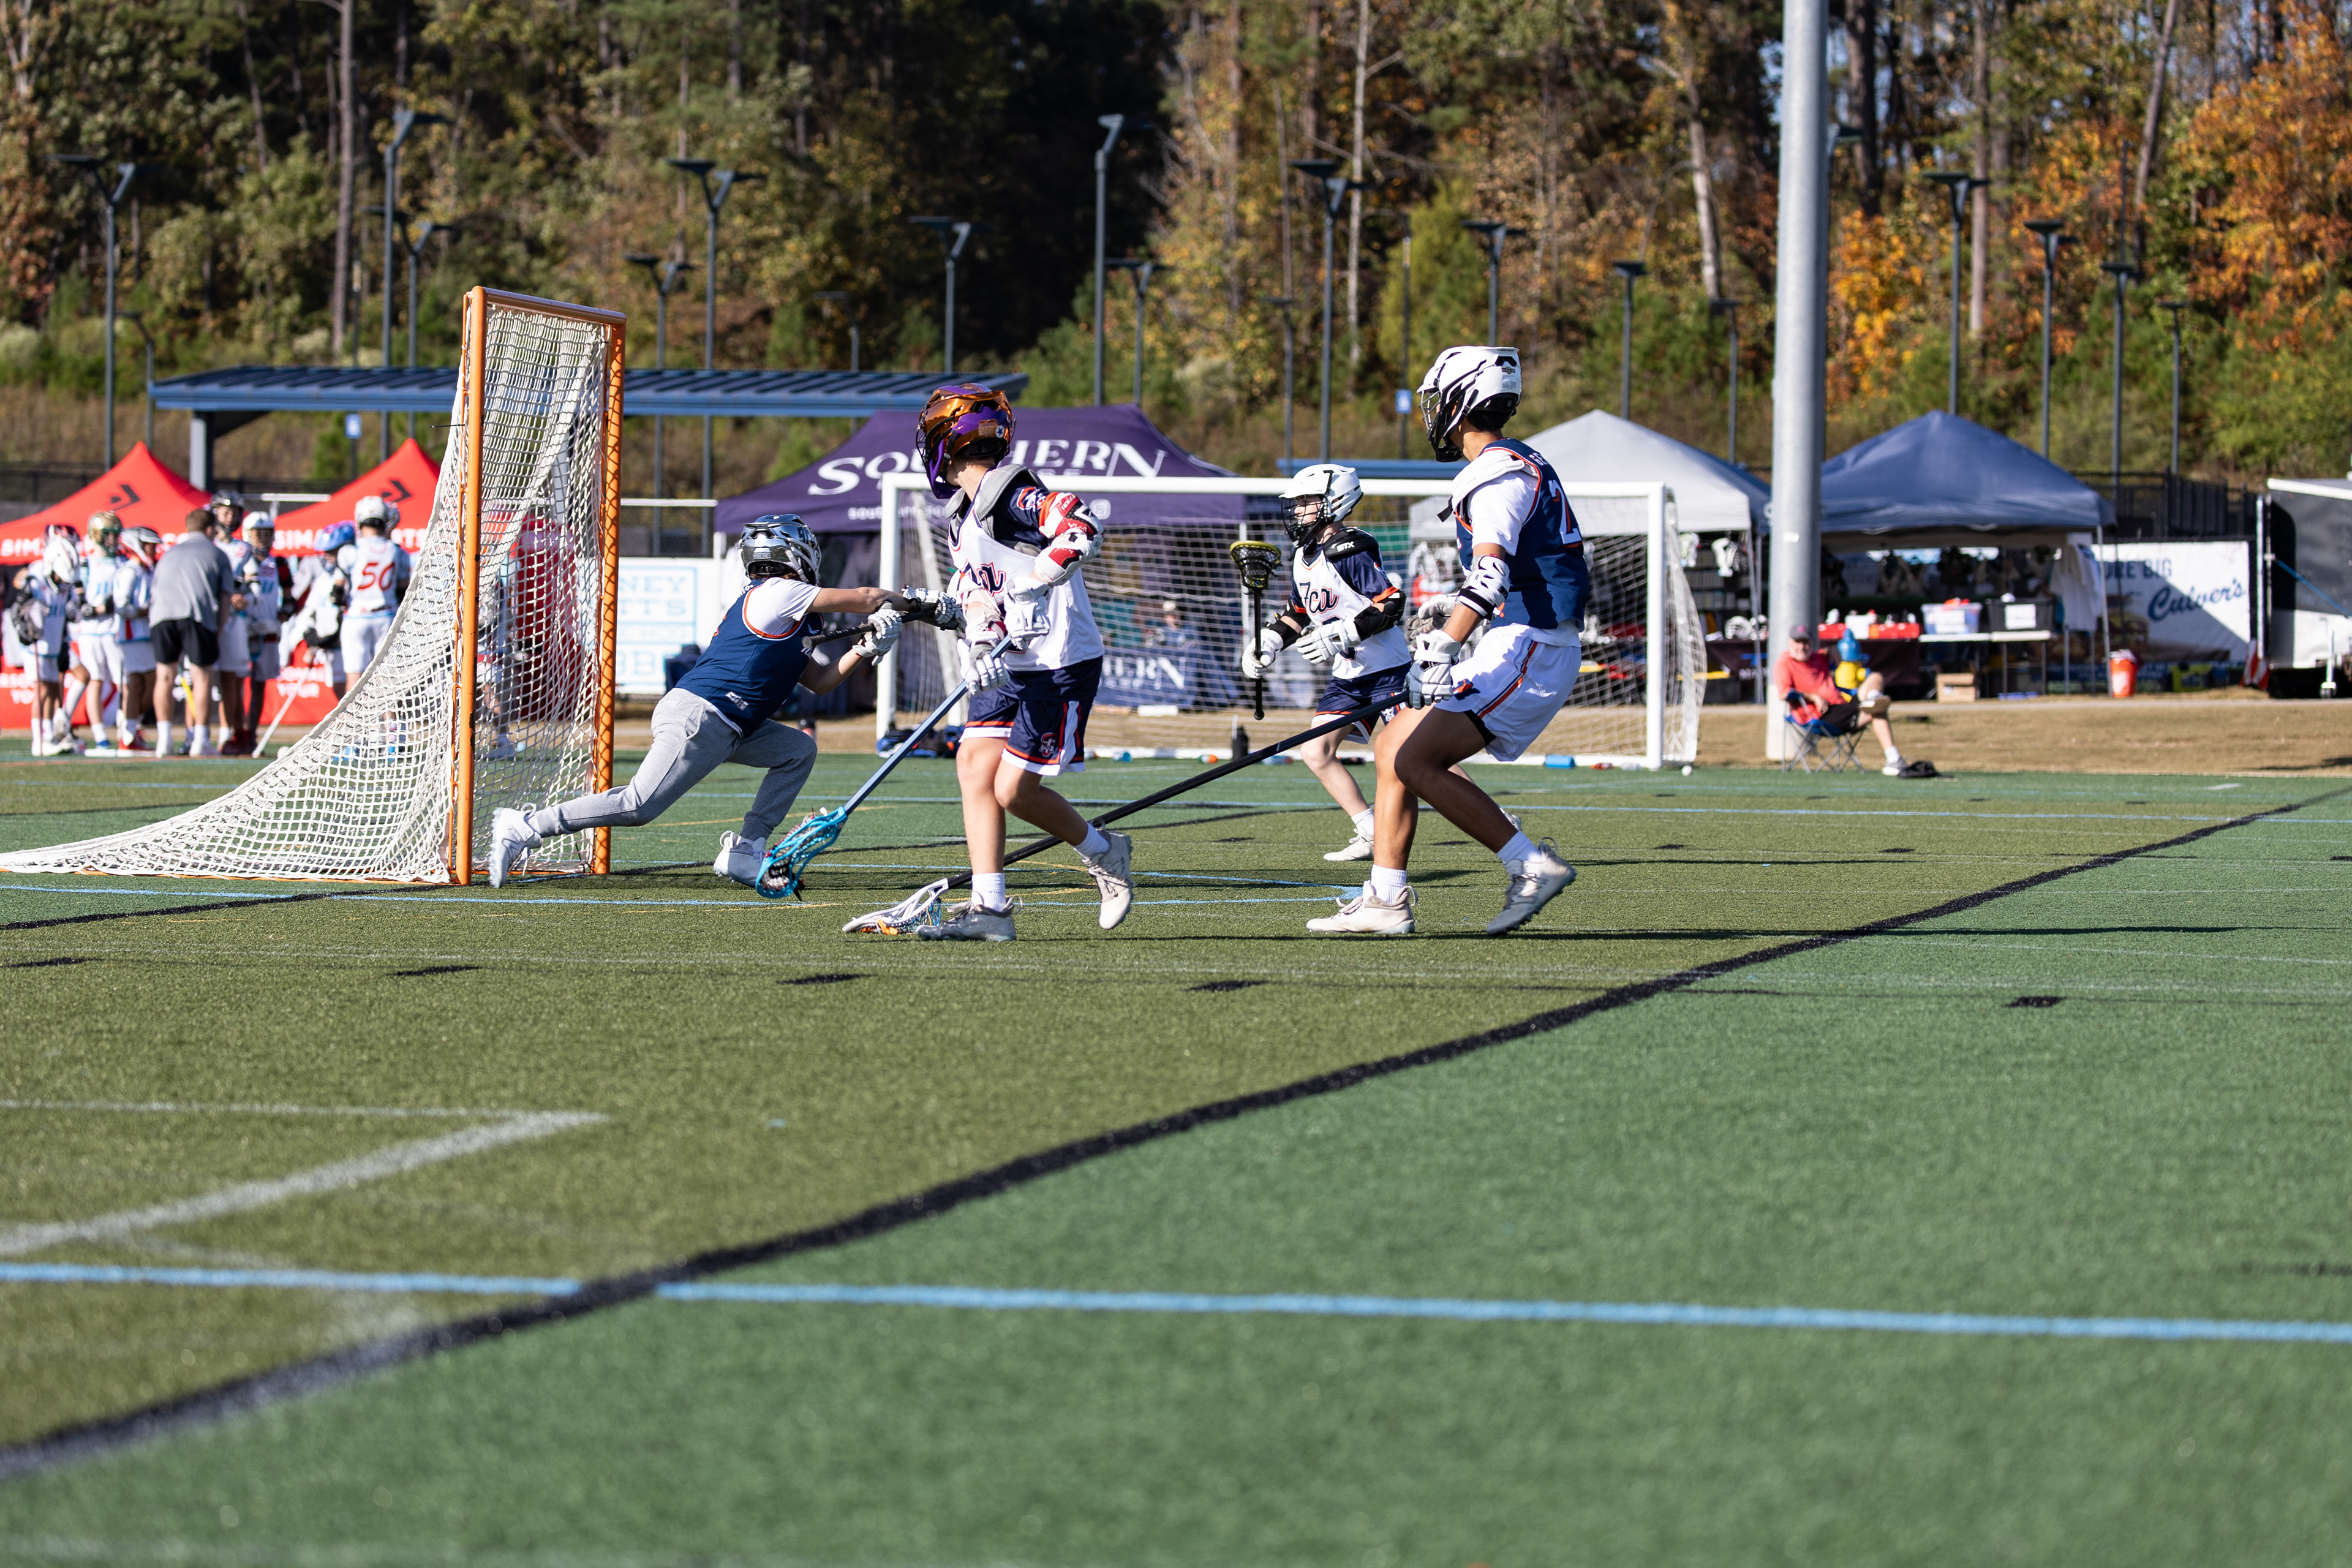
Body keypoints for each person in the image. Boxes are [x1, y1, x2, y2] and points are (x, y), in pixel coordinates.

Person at [1308, 345, 1580, 938]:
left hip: (1530, 645)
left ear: (1461, 400)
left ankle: (1530, 866)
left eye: (1437, 400)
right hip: (1520, 638)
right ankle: (1385, 899)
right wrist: (1451, 621)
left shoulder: (1495, 473)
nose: (1432, 413)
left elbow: (1491, 572)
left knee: (1414, 758)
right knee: (1390, 748)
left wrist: (1440, 649)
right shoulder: (1513, 462)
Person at [487, 514, 908, 889]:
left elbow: (819, 682)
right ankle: (525, 825)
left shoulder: (785, 608)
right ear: (798, 553)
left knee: (796, 750)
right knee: (638, 805)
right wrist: (922, 603)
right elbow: (869, 597)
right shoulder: (780, 592)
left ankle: (747, 849)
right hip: (703, 714)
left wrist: (865, 649)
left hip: (728, 722)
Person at [918, 382, 1133, 942]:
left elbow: (1081, 526)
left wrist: (1036, 582)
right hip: (1012, 659)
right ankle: (990, 910)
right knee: (973, 765)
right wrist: (981, 642)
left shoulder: (1012, 493)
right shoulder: (961, 513)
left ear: (945, 442)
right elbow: (977, 592)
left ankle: (1105, 852)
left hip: (1057, 662)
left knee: (1015, 791)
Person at [1237, 463, 1409, 862]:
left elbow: (1391, 604)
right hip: (1349, 676)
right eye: (1297, 503)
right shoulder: (1303, 555)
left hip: (1387, 671)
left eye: (1306, 502)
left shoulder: (1351, 548)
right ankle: (1371, 831)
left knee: (1416, 754)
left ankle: (1497, 819)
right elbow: (1298, 613)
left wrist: (1347, 632)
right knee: (1317, 752)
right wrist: (1268, 642)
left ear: (1335, 501)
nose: (1298, 511)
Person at [148, 509, 244, 756]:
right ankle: (201, 740)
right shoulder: (218, 554)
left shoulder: (169, 553)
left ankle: (164, 740)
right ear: (211, 529)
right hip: (196, 617)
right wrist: (217, 631)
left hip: (162, 617)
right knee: (202, 678)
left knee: (164, 677)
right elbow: (225, 598)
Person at [1776, 625, 1906, 775]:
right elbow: (1784, 694)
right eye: (1798, 642)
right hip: (1821, 716)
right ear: (1790, 642)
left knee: (1876, 677)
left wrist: (1833, 649)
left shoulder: (1818, 657)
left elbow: (1838, 660)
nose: (1802, 646)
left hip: (1842, 706)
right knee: (1877, 710)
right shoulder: (1784, 663)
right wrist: (1813, 696)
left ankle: (1872, 699)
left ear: (1811, 643)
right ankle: (1893, 759)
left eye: (1805, 642)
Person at [216, 513, 292, 755]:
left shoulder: (279, 564)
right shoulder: (239, 558)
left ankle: (251, 733)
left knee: (259, 684)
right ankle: (232, 732)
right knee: (234, 681)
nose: (263, 538)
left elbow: (290, 600)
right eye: (259, 534)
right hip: (241, 626)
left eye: (268, 533)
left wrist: (278, 620)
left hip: (266, 630)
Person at [7, 525, 78, 755]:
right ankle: (38, 740)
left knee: (52, 688)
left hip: (54, 641)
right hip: (36, 643)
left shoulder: (65, 584)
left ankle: (48, 736)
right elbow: (17, 609)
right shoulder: (36, 579)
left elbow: (70, 612)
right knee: (40, 690)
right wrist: (23, 630)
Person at [60, 513, 126, 753]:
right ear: (97, 535)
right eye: (109, 535)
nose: (114, 540)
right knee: (94, 681)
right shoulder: (86, 565)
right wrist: (98, 609)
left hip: (114, 631)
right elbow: (80, 607)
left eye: (116, 535)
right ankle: (100, 737)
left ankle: (126, 732)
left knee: (124, 683)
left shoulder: (122, 563)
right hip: (90, 633)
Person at [342, 497, 410, 677]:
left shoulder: (350, 550)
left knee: (355, 678)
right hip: (387, 617)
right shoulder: (398, 551)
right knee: (386, 678)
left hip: (356, 617)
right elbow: (403, 590)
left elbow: (337, 592)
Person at [287, 522, 354, 699]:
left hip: (348, 646)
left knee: (353, 690)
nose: (328, 557)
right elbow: (310, 610)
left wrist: (337, 633)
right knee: (340, 692)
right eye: (326, 553)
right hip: (331, 648)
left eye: (333, 552)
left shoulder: (354, 577)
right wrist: (310, 634)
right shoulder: (324, 579)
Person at [113, 527, 160, 751]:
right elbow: (121, 605)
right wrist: (144, 612)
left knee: (142, 684)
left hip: (145, 634)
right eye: (150, 545)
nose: (154, 550)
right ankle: (130, 731)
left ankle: (130, 730)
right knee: (143, 683)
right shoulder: (130, 571)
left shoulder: (147, 570)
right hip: (133, 635)